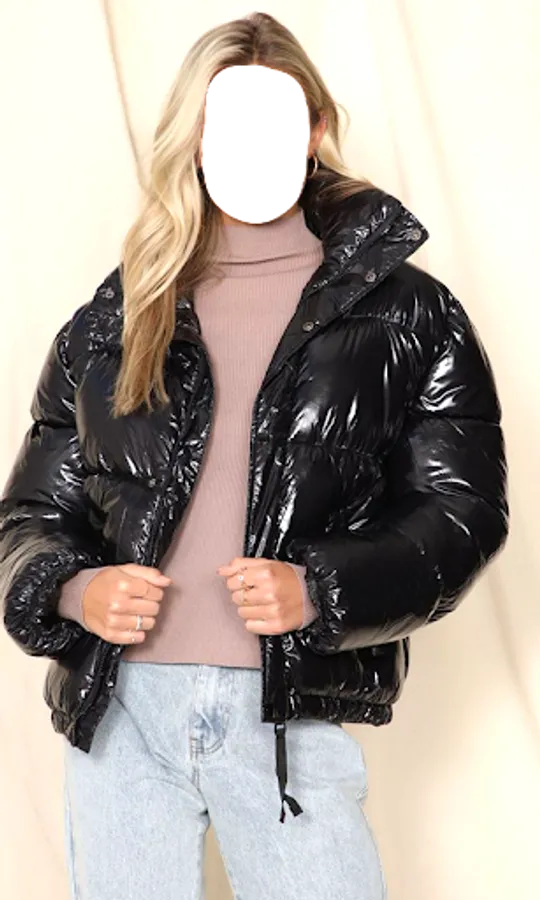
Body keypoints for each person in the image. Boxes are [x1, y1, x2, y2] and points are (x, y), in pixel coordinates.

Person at [0, 12, 508, 900]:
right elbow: (33, 515)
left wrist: (321, 588)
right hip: (121, 715)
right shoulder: (119, 315)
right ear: (195, 140)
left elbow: (463, 513)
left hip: (288, 716)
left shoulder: (410, 315)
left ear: (315, 127)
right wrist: (76, 591)